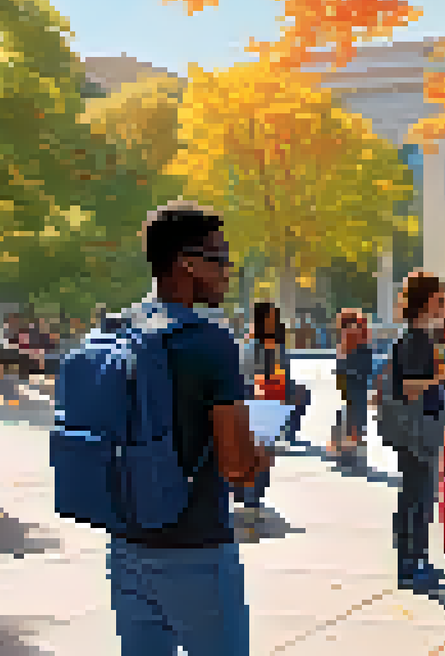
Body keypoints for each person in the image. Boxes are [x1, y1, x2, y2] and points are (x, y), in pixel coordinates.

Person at [92, 201, 270, 655]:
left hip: (126, 545)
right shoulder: (210, 342)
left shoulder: (116, 330)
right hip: (196, 550)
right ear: (187, 263)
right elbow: (235, 467)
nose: (228, 271)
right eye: (220, 258)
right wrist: (263, 449)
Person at [389, 272, 445, 590]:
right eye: (442, 300)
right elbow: (409, 387)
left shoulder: (421, 338)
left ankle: (415, 559)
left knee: (418, 495)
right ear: (428, 303)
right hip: (418, 428)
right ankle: (411, 563)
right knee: (416, 497)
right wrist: (443, 375)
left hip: (421, 427)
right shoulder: (416, 340)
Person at [239, 302, 287, 509]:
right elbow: (244, 370)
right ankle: (248, 493)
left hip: (270, 399)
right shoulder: (251, 343)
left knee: (264, 449)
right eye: (267, 318)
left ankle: (254, 493)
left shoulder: (275, 345)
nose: (271, 322)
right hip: (253, 397)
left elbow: (282, 372)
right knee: (253, 448)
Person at [331, 309, 373, 460]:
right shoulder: (356, 333)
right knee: (357, 410)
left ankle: (343, 445)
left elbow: (341, 359)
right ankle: (351, 444)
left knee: (349, 409)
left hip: (347, 377)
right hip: (357, 377)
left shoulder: (344, 336)